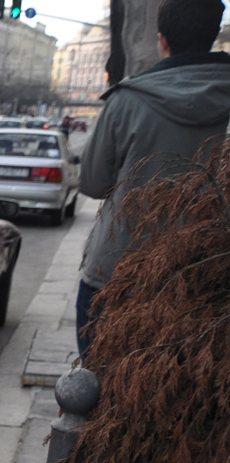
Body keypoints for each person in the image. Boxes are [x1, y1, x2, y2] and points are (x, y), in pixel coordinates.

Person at [77, 0, 230, 358]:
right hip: (205, 275)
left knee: (95, 387)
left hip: (118, 271)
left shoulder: (128, 100)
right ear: (213, 35)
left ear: (162, 40)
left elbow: (93, 184)